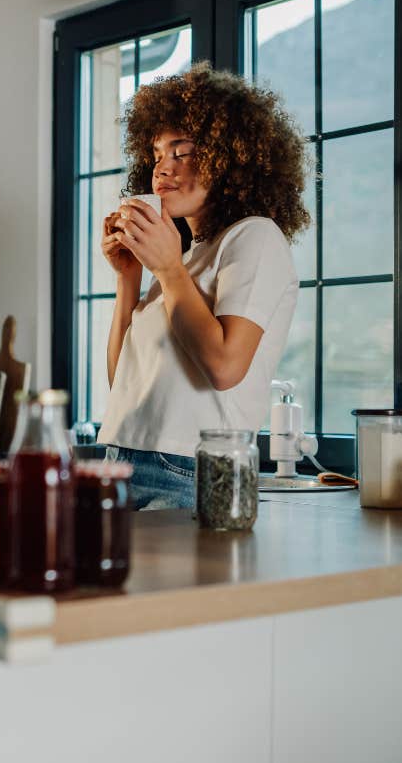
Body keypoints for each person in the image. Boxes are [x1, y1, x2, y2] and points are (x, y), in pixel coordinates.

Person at [97, 62, 311, 510]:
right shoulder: (183, 256)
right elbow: (123, 385)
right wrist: (129, 280)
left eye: (183, 152)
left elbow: (225, 367)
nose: (162, 169)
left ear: (230, 158)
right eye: (157, 155)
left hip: (189, 470)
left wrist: (169, 270)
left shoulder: (254, 236)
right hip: (120, 458)